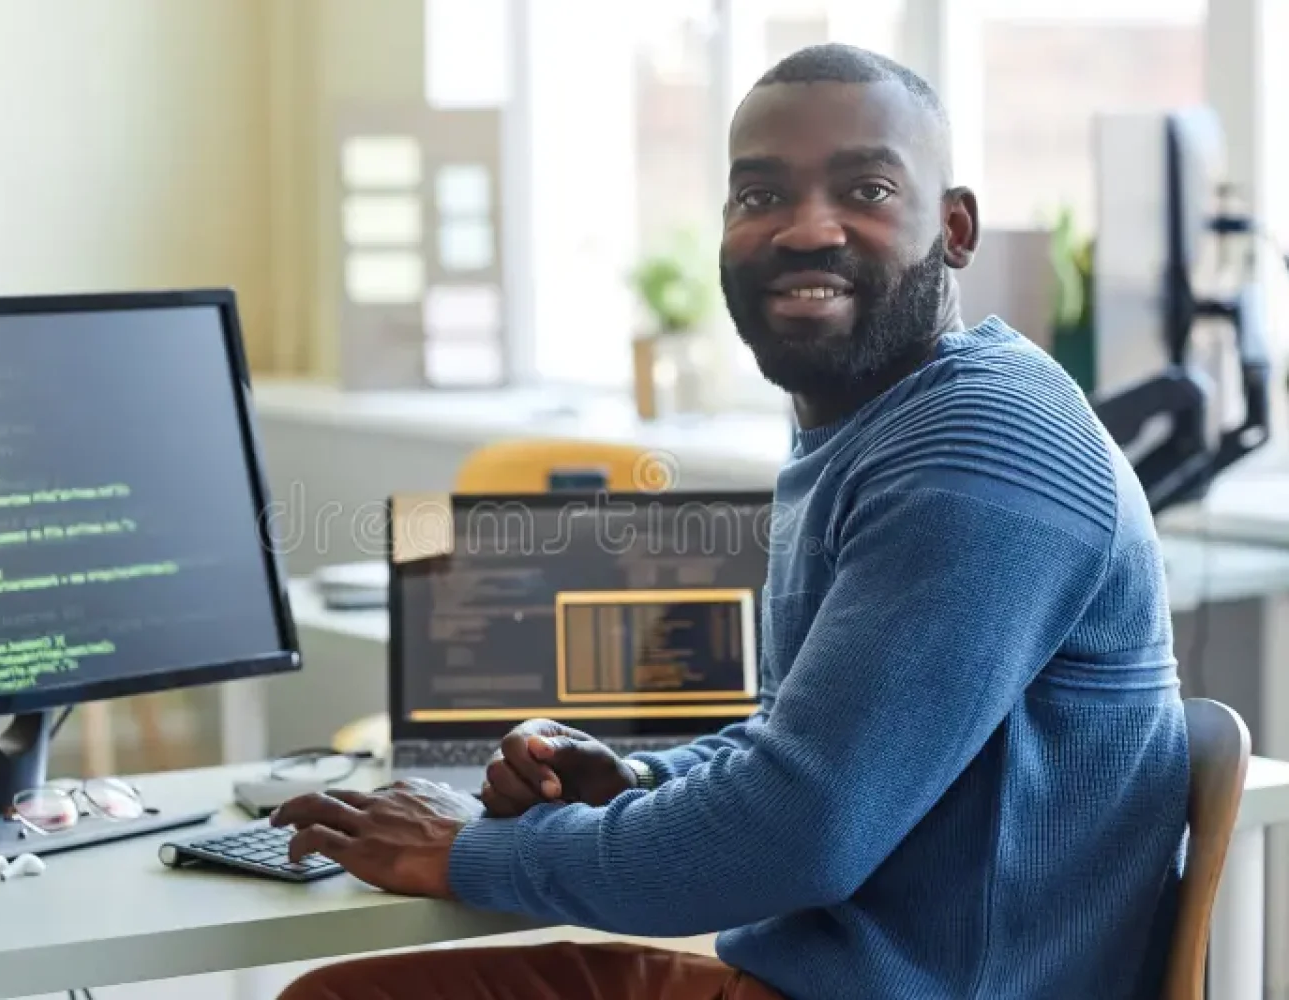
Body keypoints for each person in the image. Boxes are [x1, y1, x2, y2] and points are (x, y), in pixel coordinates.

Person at [272, 42, 1189, 1000]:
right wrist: (636, 780)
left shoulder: (979, 448)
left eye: (866, 188)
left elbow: (805, 831)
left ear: (955, 229)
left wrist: (469, 853)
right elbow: (798, 744)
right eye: (759, 196)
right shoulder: (881, 423)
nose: (804, 229)